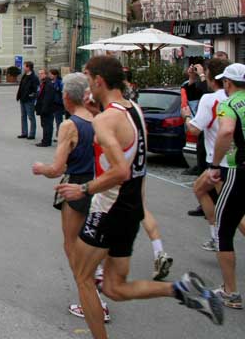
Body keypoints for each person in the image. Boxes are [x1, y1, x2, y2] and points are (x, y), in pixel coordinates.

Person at [56, 56, 224, 338]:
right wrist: (97, 114)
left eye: (88, 78)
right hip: (131, 208)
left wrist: (83, 189)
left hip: (109, 209)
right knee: (114, 287)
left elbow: (120, 170)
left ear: (99, 81)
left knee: (83, 278)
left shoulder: (106, 120)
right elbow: (132, 158)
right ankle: (180, 289)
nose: (86, 85)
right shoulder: (132, 109)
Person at [32, 73, 110, 322]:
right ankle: (98, 275)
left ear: (67, 97)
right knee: (93, 239)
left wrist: (41, 168)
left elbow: (57, 168)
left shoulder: (70, 125)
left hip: (76, 185)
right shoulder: (101, 118)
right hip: (102, 184)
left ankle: (92, 300)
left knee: (72, 244)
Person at [208, 62, 245, 309]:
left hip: (239, 170)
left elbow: (225, 132)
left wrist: (215, 164)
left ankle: (230, 292)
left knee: (224, 229)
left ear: (227, 83)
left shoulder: (228, 104)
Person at [186, 57, 231, 252]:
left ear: (211, 77)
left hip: (220, 162)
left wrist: (186, 116)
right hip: (229, 159)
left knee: (233, 210)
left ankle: (217, 236)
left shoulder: (210, 99)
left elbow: (195, 129)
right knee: (199, 188)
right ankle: (215, 235)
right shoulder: (236, 97)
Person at [16, 61, 39, 140]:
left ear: (28, 67)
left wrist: (31, 95)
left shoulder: (34, 77)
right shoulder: (24, 76)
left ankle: (32, 134)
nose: (23, 68)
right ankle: (24, 133)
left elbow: (36, 89)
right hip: (22, 99)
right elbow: (21, 86)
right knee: (23, 116)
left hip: (29, 100)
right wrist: (19, 96)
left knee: (31, 117)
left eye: (24, 66)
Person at [35, 68, 55, 147]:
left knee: (47, 125)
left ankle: (46, 141)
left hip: (47, 108)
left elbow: (48, 98)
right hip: (44, 107)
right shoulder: (44, 83)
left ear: (46, 74)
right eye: (39, 73)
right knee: (45, 124)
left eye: (42, 73)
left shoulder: (48, 84)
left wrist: (44, 108)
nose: (40, 75)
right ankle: (46, 140)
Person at [50, 69, 65, 135]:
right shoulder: (50, 82)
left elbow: (62, 92)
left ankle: (59, 134)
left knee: (58, 120)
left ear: (55, 75)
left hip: (58, 104)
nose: (50, 75)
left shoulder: (60, 82)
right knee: (50, 120)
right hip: (51, 103)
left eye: (51, 74)